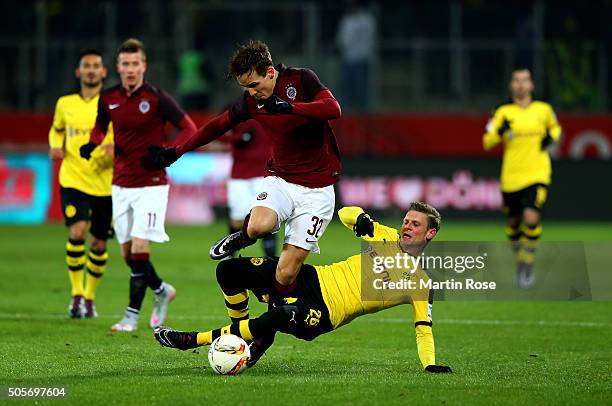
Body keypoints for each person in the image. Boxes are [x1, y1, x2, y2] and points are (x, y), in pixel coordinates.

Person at [154, 202, 452, 373]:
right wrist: (360, 219)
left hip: (325, 312)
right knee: (229, 269)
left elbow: (423, 328)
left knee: (280, 315)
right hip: (311, 277)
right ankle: (247, 336)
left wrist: (430, 365)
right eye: (406, 221)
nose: (407, 227)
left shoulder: (420, 283)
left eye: (415, 224)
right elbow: (345, 213)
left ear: (431, 233)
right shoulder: (384, 236)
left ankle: (194, 339)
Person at [150, 40, 342, 302]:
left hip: (318, 190)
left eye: (254, 85)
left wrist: (290, 107)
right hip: (281, 179)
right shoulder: (251, 102)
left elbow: (334, 109)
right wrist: (177, 151)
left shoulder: (301, 79)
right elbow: (215, 127)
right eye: (245, 87)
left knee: (286, 272)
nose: (251, 93)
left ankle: (276, 313)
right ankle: (241, 238)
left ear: (270, 73)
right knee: (258, 226)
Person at [80, 38, 197, 332]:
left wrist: (171, 152)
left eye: (136, 64)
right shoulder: (108, 98)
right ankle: (161, 291)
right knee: (128, 254)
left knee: (141, 248)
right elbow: (99, 127)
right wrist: (91, 145)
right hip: (120, 184)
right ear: (118, 68)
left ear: (143, 66)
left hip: (152, 185)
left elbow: (190, 128)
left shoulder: (157, 98)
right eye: (126, 64)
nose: (131, 69)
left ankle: (131, 315)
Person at [48, 48, 114, 319]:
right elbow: (57, 129)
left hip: (105, 183)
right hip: (73, 178)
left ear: (103, 72)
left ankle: (90, 298)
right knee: (77, 231)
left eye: (95, 65)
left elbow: (121, 135)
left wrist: (114, 147)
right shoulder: (64, 103)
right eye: (86, 65)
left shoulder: (111, 103)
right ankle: (76, 295)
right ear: (78, 72)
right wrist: (55, 146)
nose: (90, 70)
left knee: (98, 243)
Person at [483, 68, 562, 288]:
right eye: (516, 80)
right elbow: (487, 142)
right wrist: (499, 132)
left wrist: (550, 138)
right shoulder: (501, 111)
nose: (520, 84)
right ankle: (520, 261)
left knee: (531, 217)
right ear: (511, 85)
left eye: (525, 80)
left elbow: (556, 128)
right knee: (513, 224)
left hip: (538, 173)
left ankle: (528, 264)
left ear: (531, 85)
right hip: (511, 177)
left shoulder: (544, 109)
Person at [220, 118, 276, 257]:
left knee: (266, 217)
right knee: (237, 219)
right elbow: (223, 131)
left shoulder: (270, 112)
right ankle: (229, 257)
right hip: (239, 175)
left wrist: (226, 138)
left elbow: (245, 138)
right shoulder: (238, 111)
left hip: (263, 174)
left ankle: (271, 261)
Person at [335, 0, 376, 112]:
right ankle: (345, 115)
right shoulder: (347, 20)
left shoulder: (367, 20)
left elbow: (367, 40)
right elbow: (342, 40)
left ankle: (363, 114)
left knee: (361, 90)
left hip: (361, 59)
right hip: (347, 58)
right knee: (345, 89)